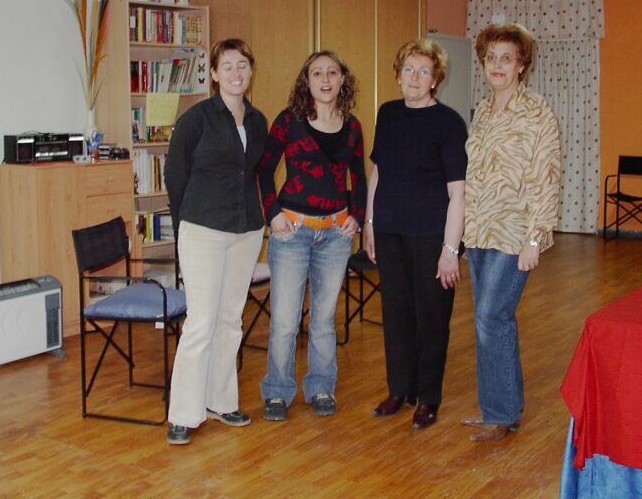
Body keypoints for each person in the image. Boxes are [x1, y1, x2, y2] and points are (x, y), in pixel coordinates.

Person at [163, 38, 268, 446]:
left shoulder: (257, 121)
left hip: (245, 230)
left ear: (250, 71)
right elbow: (176, 176)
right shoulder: (197, 119)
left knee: (229, 320)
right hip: (203, 228)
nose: (236, 73)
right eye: (228, 66)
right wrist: (182, 230)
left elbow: (256, 174)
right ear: (213, 74)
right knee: (201, 323)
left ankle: (221, 401)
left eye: (242, 65)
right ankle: (184, 413)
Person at [460, 22, 561, 442]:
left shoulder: (538, 113)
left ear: (522, 65)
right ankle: (499, 408)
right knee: (491, 322)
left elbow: (547, 176)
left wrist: (535, 238)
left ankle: (501, 413)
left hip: (514, 232)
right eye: (490, 58)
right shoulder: (482, 112)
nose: (497, 65)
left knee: (491, 317)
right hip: (480, 232)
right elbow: (474, 175)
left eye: (506, 58)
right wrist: (463, 235)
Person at [257, 50, 367, 421]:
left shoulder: (352, 126)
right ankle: (277, 391)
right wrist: (272, 215)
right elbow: (264, 171)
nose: (324, 79)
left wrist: (357, 216)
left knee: (323, 319)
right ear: (307, 81)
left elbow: (359, 177)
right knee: (285, 320)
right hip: (292, 231)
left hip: (335, 234)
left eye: (332, 72)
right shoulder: (288, 122)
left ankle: (321, 387)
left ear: (341, 80)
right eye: (316, 73)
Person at [364, 38, 467, 430]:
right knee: (396, 314)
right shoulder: (388, 114)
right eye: (408, 69)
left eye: (424, 71)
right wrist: (370, 224)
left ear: (435, 79)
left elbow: (457, 193)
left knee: (431, 317)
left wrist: (450, 249)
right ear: (398, 74)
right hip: (389, 230)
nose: (414, 77)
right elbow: (378, 172)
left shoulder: (449, 123)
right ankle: (399, 390)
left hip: (430, 235)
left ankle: (428, 397)